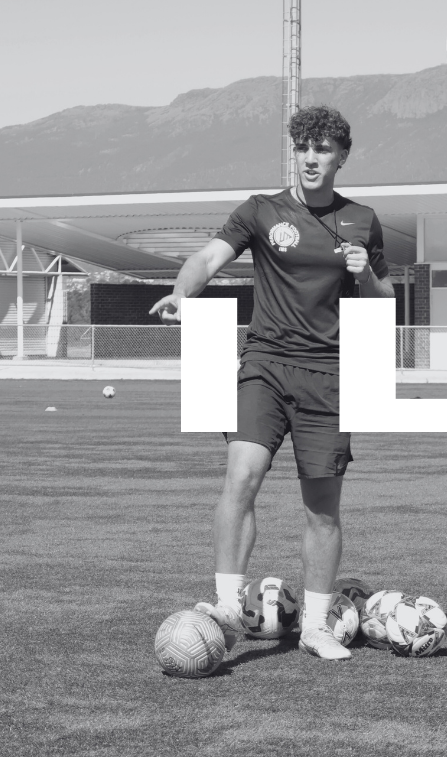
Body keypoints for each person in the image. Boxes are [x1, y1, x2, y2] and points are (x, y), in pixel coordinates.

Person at [148, 105, 394, 660]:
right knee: (242, 475)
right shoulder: (261, 211)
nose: (311, 157)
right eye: (303, 147)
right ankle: (228, 607)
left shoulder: (362, 219)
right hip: (264, 363)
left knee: (322, 507)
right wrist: (183, 292)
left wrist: (368, 275)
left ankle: (314, 626)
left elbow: (383, 304)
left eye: (323, 148)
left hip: (330, 374)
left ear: (342, 157)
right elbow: (209, 256)